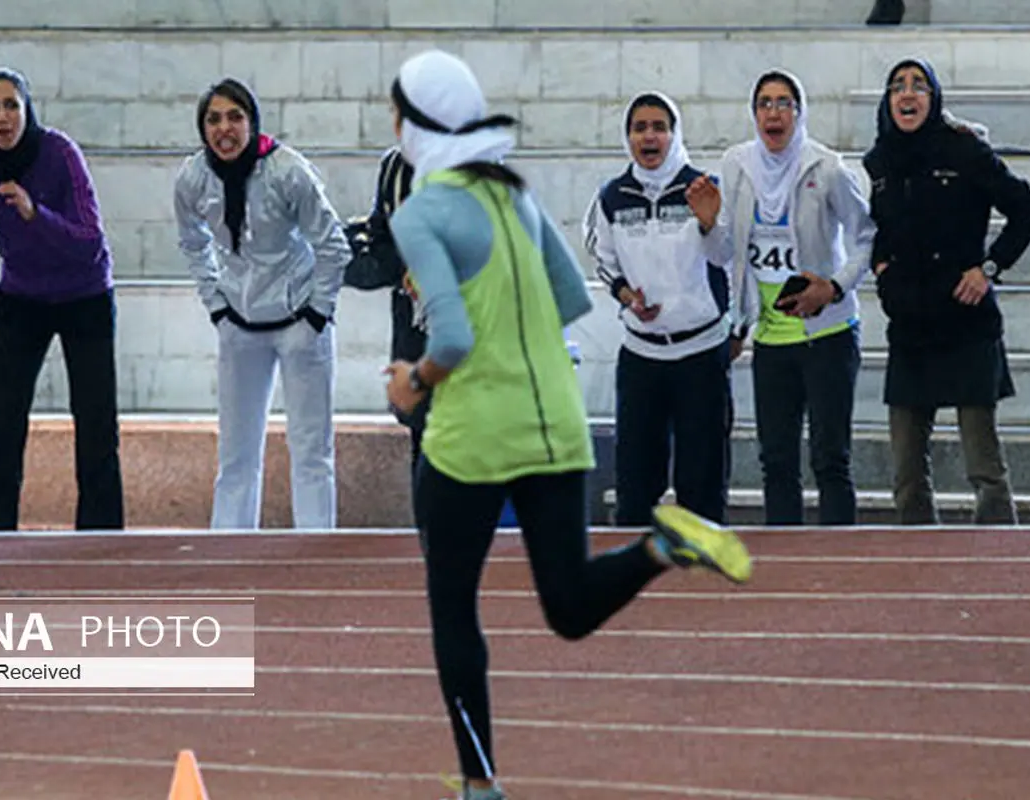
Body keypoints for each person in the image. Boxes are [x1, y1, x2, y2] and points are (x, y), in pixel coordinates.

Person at [380, 49, 752, 800]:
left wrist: (412, 382)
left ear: (418, 122)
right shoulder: (513, 195)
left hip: (470, 436)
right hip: (554, 419)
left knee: (453, 609)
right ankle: (662, 541)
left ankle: (480, 785)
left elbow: (447, 338)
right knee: (571, 604)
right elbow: (566, 297)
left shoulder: (421, 210)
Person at [0, 67, 124, 531]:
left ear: (27, 110)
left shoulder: (60, 152)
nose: (2, 117)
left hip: (85, 295)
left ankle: (100, 538)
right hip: (22, 296)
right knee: (2, 421)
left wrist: (32, 212)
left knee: (95, 422)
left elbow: (89, 240)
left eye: (11, 106)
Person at [862, 58, 1030, 525]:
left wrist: (989, 268)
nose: (907, 94)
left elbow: (1026, 210)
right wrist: (882, 269)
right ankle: (916, 573)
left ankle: (999, 567)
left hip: (966, 324)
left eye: (919, 86)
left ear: (934, 98)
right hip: (910, 327)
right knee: (905, 473)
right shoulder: (878, 161)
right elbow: (880, 229)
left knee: (984, 468)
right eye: (897, 86)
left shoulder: (966, 152)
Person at [696, 69, 875, 527]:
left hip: (828, 333)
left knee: (829, 458)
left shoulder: (827, 167)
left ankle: (838, 566)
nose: (773, 113)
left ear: (799, 112)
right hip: (771, 339)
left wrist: (832, 287)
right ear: (753, 114)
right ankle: (784, 563)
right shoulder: (737, 165)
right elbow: (725, 253)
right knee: (776, 462)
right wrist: (706, 225)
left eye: (783, 103)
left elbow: (866, 239)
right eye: (764, 104)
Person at [173, 78, 352, 530]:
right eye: (213, 119)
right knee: (235, 453)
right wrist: (217, 306)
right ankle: (229, 556)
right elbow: (193, 244)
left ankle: (315, 553)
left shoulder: (289, 171)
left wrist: (317, 313)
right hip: (240, 323)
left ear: (252, 122)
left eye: (235, 116)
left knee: (311, 450)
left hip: (299, 323)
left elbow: (333, 246)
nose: (224, 128)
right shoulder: (192, 178)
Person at [582, 91, 733, 527]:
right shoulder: (612, 196)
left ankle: (704, 580)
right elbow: (603, 260)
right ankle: (634, 580)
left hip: (701, 354)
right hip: (642, 357)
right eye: (639, 128)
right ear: (628, 137)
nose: (649, 137)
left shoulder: (702, 188)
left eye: (659, 127)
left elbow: (726, 256)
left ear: (674, 133)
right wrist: (627, 296)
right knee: (635, 485)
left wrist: (707, 220)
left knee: (701, 484)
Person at [342, 146, 430, 489]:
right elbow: (382, 231)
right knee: (422, 433)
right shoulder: (396, 164)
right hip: (415, 321)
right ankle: (430, 533)